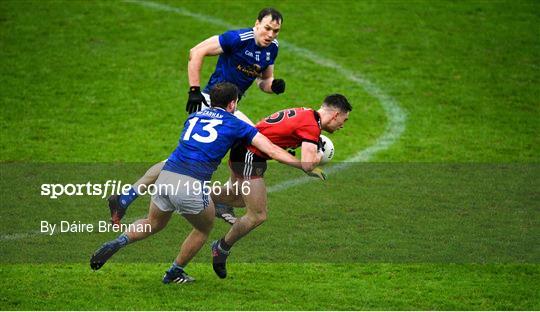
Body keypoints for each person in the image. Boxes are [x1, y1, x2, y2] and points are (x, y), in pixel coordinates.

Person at [89, 83, 313, 283]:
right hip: (192, 186)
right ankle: (175, 271)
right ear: (233, 103)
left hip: (166, 177)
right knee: (203, 229)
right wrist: (302, 164)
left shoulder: (193, 118)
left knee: (153, 222)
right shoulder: (236, 124)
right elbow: (271, 149)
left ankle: (120, 241)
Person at [107, 8, 286, 225]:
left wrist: (273, 86)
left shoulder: (272, 49)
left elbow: (263, 81)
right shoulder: (237, 38)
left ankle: (222, 199)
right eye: (267, 28)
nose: (270, 34)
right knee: (179, 161)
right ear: (257, 23)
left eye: (275, 31)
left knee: (250, 140)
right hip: (211, 101)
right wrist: (194, 91)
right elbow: (197, 51)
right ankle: (125, 197)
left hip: (230, 108)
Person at [210, 94, 352, 279]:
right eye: (344, 119)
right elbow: (308, 164)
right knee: (258, 214)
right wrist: (318, 155)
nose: (343, 125)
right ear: (335, 115)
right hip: (250, 155)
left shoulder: (307, 113)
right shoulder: (311, 126)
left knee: (235, 197)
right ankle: (221, 248)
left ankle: (189, 191)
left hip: (245, 149)